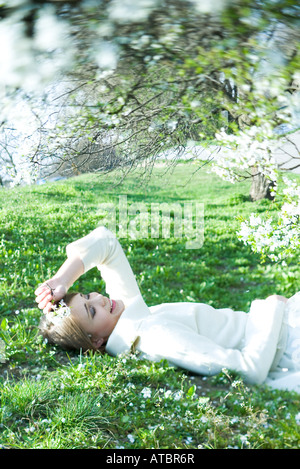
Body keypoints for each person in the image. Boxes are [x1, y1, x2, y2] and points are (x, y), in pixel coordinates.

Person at [35, 226, 300, 392]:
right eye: (91, 311)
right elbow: (247, 370)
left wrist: (62, 279)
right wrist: (271, 310)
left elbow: (106, 242)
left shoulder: (130, 316)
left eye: (87, 295)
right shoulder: (153, 337)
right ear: (97, 341)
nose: (100, 299)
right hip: (288, 341)